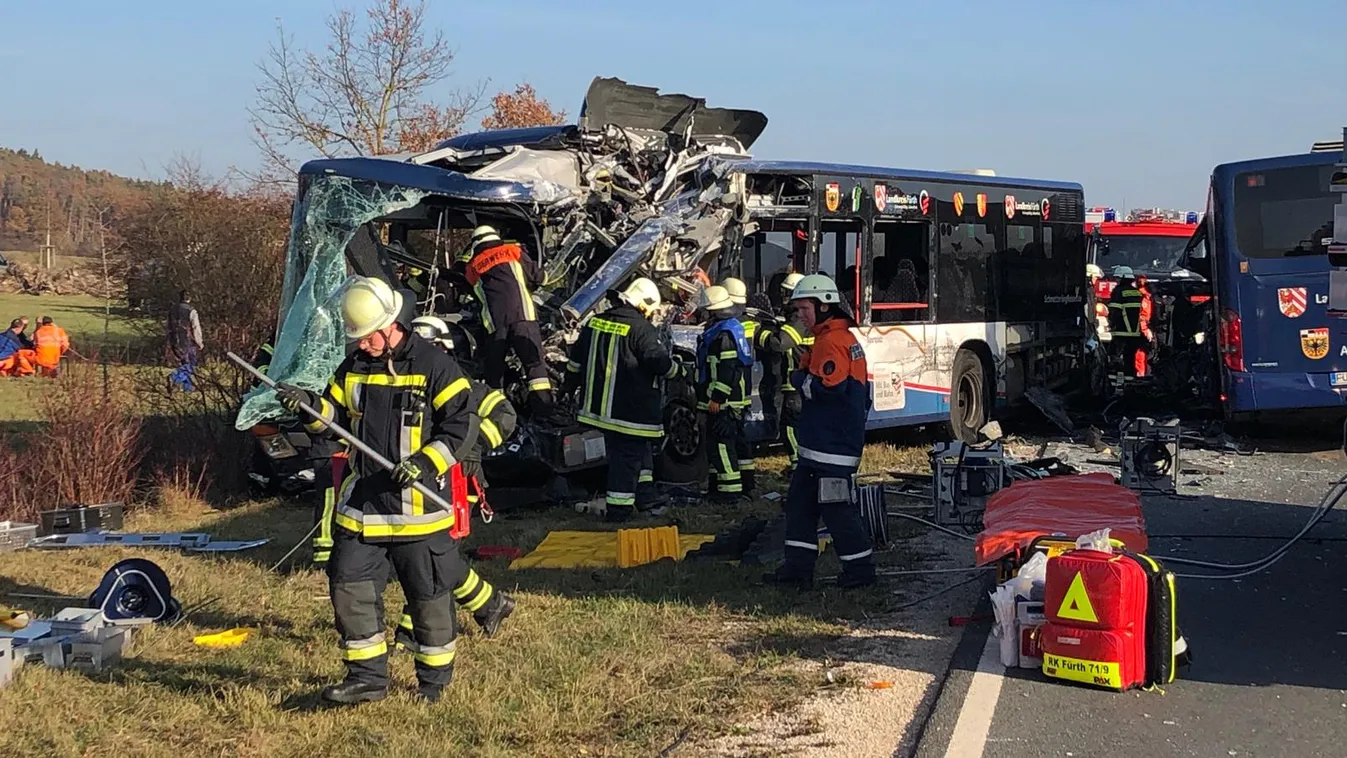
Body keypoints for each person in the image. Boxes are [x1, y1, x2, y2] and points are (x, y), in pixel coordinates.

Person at [275, 275, 508, 705]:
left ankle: (433, 684)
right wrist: (309, 408)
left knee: (429, 599)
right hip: (362, 508)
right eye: (358, 339)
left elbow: (462, 427)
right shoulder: (353, 369)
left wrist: (424, 463)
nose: (362, 345)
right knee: (348, 587)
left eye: (367, 338)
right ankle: (367, 679)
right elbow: (337, 420)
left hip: (418, 511)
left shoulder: (436, 367)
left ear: (390, 325)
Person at [765, 274, 876, 590]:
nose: (800, 315)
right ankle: (797, 569)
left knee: (836, 509)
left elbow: (829, 389)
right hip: (820, 447)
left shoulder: (833, 342)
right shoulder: (833, 339)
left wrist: (800, 378)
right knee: (800, 506)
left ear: (824, 306)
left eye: (804, 309)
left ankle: (860, 571)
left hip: (833, 448)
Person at [563, 278, 681, 522]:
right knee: (625, 461)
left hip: (598, 410)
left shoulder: (594, 323)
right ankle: (619, 510)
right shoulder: (641, 329)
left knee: (640, 451)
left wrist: (567, 389)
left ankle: (645, 494)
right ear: (644, 304)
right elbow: (659, 363)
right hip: (630, 413)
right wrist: (679, 371)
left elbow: (575, 363)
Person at [462, 225, 555, 417]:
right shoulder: (513, 251)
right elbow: (540, 278)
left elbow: (474, 290)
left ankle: (498, 415)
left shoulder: (473, 266)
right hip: (523, 318)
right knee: (534, 366)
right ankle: (544, 412)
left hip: (495, 325)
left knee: (494, 373)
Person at [696, 285, 753, 503]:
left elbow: (728, 369)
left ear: (714, 310)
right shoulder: (728, 329)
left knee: (721, 445)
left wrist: (717, 398)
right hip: (728, 401)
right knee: (722, 445)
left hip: (724, 403)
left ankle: (729, 493)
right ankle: (724, 487)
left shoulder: (724, 335)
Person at [755, 273, 811, 470]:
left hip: (796, 384)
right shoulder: (801, 316)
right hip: (800, 383)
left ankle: (799, 467)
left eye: (787, 293)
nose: (783, 297)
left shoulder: (799, 318)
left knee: (789, 428)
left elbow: (780, 343)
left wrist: (759, 333)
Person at [721, 277, 757, 492]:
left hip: (732, 390)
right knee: (742, 438)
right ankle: (748, 481)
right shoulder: (747, 322)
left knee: (728, 439)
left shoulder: (732, 327)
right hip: (743, 389)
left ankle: (732, 488)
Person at [1106, 266, 1151, 379]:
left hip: (1121, 331)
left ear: (1123, 278)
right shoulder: (1137, 293)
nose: (1116, 281)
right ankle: (1130, 378)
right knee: (1130, 357)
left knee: (1114, 356)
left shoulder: (1118, 292)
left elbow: (1115, 311)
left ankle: (1114, 377)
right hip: (1135, 332)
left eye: (1117, 278)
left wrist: (1111, 324)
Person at [167, 291, 204, 391]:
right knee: (191, 364)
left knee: (185, 363)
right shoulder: (191, 311)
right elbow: (195, 327)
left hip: (175, 340)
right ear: (189, 299)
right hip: (188, 341)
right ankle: (174, 377)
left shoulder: (172, 310)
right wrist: (199, 342)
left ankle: (188, 388)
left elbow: (169, 326)